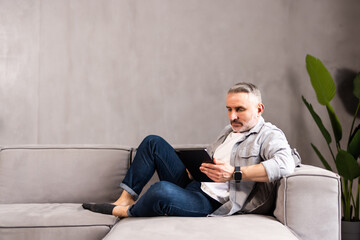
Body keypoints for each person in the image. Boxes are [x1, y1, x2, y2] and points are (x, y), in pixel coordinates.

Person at [82, 82, 300, 217]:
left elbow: (284, 163)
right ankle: (125, 198)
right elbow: (210, 154)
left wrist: (234, 173)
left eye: (239, 110)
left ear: (259, 109)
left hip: (210, 202)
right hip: (195, 182)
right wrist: (194, 167)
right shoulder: (229, 130)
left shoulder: (269, 135)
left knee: (161, 190)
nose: (232, 116)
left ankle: (127, 212)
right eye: (229, 109)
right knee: (152, 142)